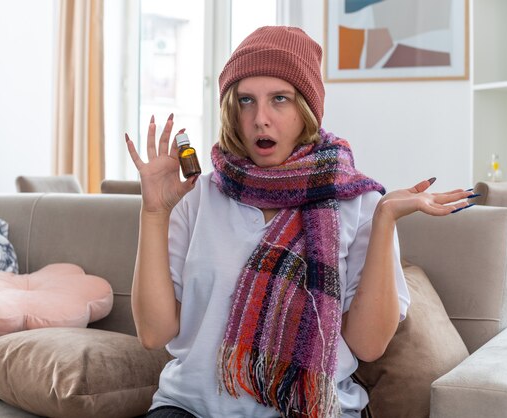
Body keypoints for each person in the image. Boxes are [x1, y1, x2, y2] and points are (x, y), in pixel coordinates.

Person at [125, 26, 473, 418]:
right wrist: (154, 213)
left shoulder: (359, 204)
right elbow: (154, 334)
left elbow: (368, 345)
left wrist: (385, 220)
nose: (260, 119)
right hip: (190, 409)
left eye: (279, 99)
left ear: (306, 108)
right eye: (245, 100)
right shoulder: (198, 197)